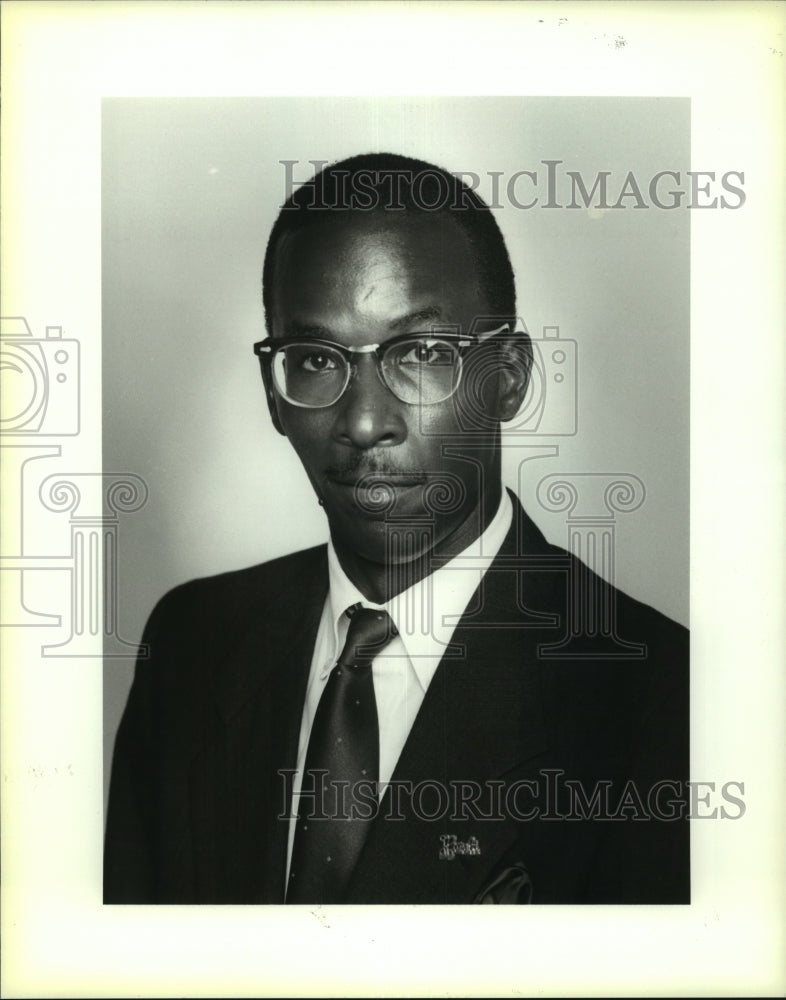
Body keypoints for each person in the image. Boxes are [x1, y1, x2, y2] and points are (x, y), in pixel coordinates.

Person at [104, 153, 689, 905]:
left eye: (419, 354)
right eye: (315, 359)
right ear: (274, 396)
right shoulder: (192, 642)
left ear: (507, 378)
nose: (364, 421)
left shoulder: (662, 703)